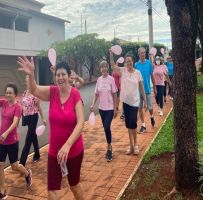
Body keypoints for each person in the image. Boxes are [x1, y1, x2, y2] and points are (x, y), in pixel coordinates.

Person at [17, 57, 84, 200]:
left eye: (63, 74)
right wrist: (31, 74)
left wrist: (67, 145)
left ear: (68, 75)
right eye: (58, 75)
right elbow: (33, 89)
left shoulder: (75, 94)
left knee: (74, 185)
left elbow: (80, 123)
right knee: (52, 192)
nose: (60, 77)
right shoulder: (52, 92)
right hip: (55, 152)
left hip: (73, 151)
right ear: (55, 77)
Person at [110, 49, 147, 155]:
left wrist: (144, 100)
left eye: (130, 61)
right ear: (125, 63)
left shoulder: (138, 73)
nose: (128, 63)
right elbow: (113, 65)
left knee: (133, 124)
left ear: (133, 61)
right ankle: (130, 146)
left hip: (135, 102)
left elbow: (141, 87)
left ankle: (135, 145)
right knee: (128, 125)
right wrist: (111, 54)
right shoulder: (123, 71)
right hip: (125, 102)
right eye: (127, 61)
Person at [0, 83, 32, 199]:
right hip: (1, 141)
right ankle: (2, 190)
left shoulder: (17, 107)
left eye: (10, 93)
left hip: (12, 141)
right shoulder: (3, 102)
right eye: (6, 92)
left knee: (14, 166)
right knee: (0, 164)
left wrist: (5, 133)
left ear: (15, 94)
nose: (8, 94)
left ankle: (27, 173)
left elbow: (15, 123)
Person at [90, 60, 117, 161]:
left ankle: (109, 148)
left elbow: (114, 94)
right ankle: (109, 146)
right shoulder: (99, 80)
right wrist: (93, 104)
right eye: (102, 67)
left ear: (107, 68)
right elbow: (96, 94)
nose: (104, 69)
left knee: (106, 126)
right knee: (106, 129)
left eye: (105, 67)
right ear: (100, 69)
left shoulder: (111, 79)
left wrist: (115, 108)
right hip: (101, 109)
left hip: (110, 108)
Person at [19, 75, 46, 166]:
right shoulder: (25, 92)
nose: (28, 83)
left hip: (34, 117)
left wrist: (43, 118)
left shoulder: (35, 93)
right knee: (33, 136)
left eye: (30, 81)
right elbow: (23, 106)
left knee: (28, 139)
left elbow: (39, 107)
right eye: (27, 81)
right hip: (26, 117)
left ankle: (22, 162)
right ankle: (37, 154)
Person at [135, 47, 157, 133]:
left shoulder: (149, 63)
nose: (143, 54)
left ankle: (152, 117)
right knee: (139, 108)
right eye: (141, 53)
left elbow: (152, 76)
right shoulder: (136, 65)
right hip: (138, 91)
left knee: (150, 107)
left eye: (144, 53)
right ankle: (143, 125)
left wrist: (154, 88)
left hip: (147, 89)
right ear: (138, 54)